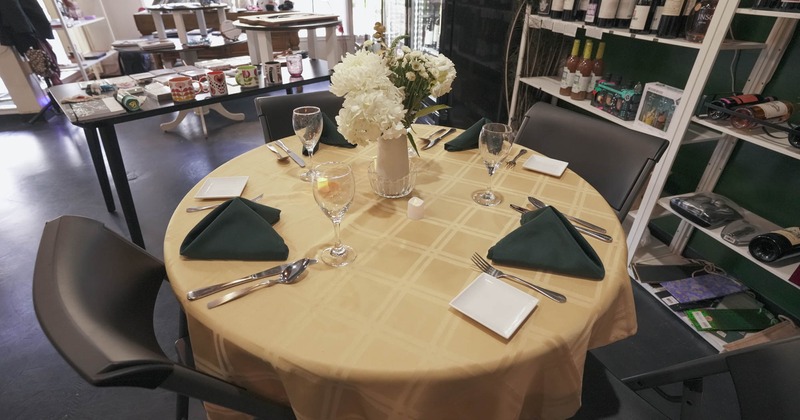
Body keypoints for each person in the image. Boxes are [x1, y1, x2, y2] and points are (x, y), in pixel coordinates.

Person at [0, 0, 62, 84]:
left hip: (22, 26)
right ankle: (51, 75)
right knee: (40, 56)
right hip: (25, 25)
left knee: (40, 57)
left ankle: (51, 75)